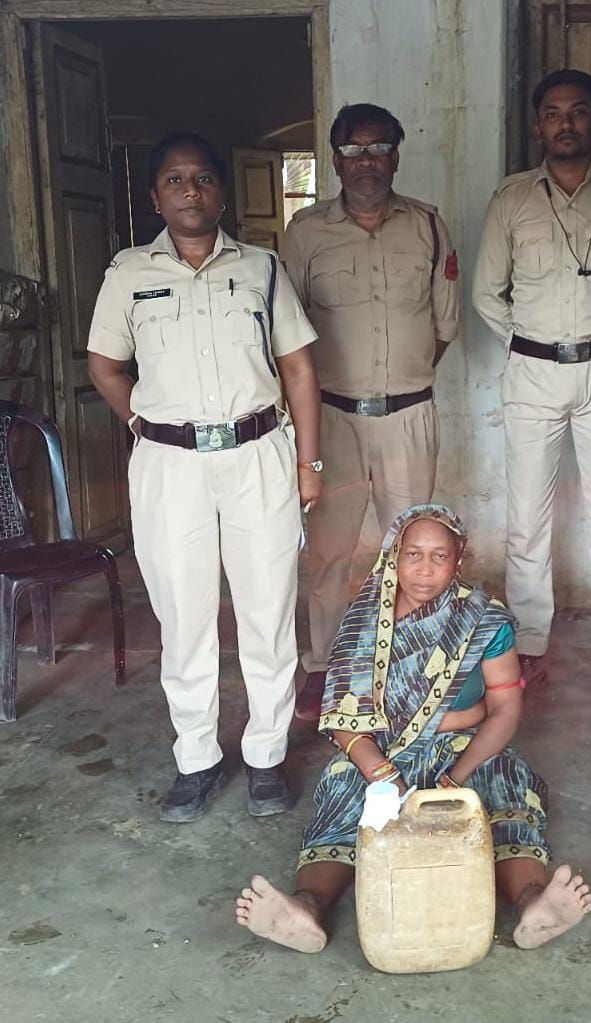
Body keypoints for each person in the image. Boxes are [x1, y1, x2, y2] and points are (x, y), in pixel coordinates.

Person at [87, 131, 323, 823]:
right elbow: (105, 365)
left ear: (221, 191)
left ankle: (266, 755)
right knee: (183, 615)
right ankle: (196, 757)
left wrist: (309, 465)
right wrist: (142, 422)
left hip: (258, 454)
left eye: (202, 178)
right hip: (169, 465)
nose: (189, 190)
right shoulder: (127, 273)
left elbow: (299, 367)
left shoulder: (262, 268)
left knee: (267, 610)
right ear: (155, 196)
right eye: (174, 179)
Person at [235, 504, 591, 953]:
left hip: (462, 749)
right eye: (413, 555)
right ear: (395, 556)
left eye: (439, 556)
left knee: (504, 784)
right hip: (382, 751)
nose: (425, 569)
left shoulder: (483, 620)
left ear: (458, 560)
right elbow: (342, 716)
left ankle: (533, 902)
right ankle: (308, 907)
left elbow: (504, 709)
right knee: (345, 791)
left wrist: (457, 774)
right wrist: (380, 773)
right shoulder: (364, 620)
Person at [472, 69, 591, 708]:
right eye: (553, 113)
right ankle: (528, 650)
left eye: (577, 111)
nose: (565, 123)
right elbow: (486, 294)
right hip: (533, 372)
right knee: (527, 521)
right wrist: (531, 344)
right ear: (537, 125)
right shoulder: (512, 199)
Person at [281, 104, 459, 721]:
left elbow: (443, 327)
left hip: (408, 417)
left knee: (415, 550)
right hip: (332, 419)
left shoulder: (429, 225)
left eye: (378, 147)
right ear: (335, 161)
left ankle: (409, 667)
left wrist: (400, 382)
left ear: (396, 156)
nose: (366, 161)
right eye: (353, 150)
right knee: (329, 552)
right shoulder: (305, 233)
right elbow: (288, 333)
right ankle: (324, 668)